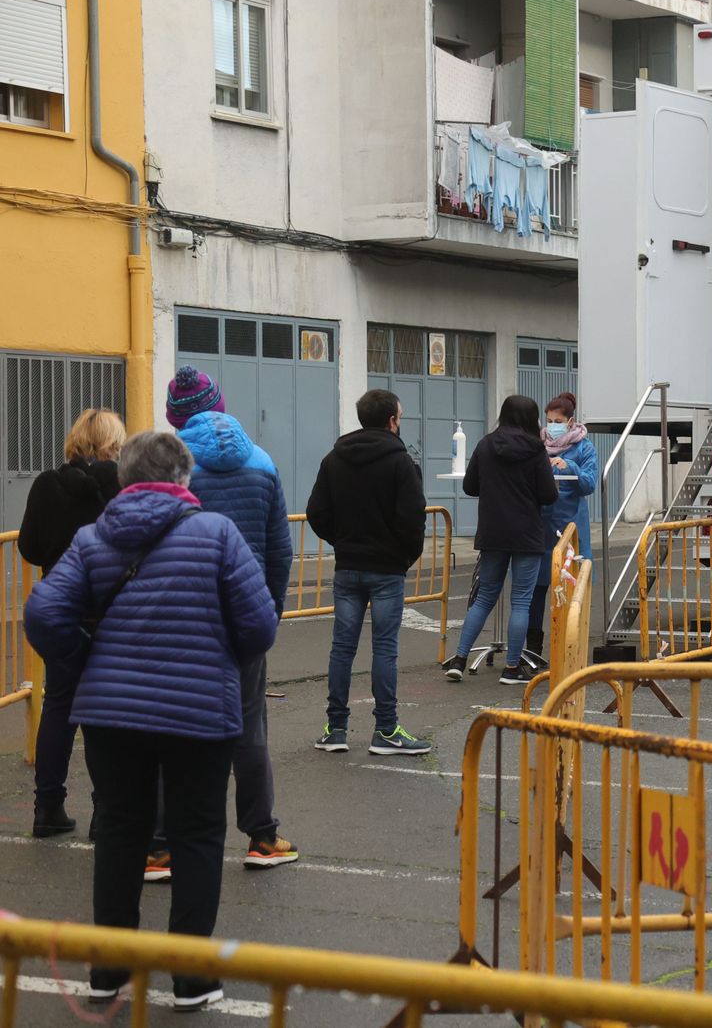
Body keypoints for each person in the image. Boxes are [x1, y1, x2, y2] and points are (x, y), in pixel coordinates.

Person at [22, 431, 277, 1011]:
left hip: (112, 717)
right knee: (197, 835)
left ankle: (108, 971)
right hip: (199, 715)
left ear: (125, 479)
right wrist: (220, 656)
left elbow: (43, 612)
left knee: (117, 831)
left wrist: (83, 656)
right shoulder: (216, 535)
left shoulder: (93, 539)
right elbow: (260, 627)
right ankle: (190, 978)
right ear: (184, 479)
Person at [169, 367, 297, 869]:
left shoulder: (172, 461)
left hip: (182, 614)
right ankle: (262, 837)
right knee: (249, 726)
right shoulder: (261, 461)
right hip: (246, 616)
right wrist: (270, 610)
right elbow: (281, 551)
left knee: (172, 725)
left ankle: (160, 845)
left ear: (174, 416)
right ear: (220, 405)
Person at [17, 408, 124, 838]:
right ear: (110, 444)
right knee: (105, 713)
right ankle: (105, 812)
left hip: (60, 610)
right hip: (107, 610)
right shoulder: (118, 485)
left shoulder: (47, 484)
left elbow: (28, 546)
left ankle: (48, 807)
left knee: (59, 707)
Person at [306, 388, 430, 755]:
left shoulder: (334, 459)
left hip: (348, 566)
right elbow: (412, 518)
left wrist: (340, 541)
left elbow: (317, 513)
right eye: (400, 417)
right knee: (385, 649)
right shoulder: (401, 462)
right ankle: (387, 730)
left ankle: (336, 728)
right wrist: (405, 555)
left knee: (342, 649)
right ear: (391, 420)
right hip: (387, 569)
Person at [441, 395, 558, 686]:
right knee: (521, 600)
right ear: (532, 420)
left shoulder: (485, 444)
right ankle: (511, 668)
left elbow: (470, 486)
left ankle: (458, 660)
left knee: (484, 597)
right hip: (527, 534)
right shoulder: (535, 450)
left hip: (492, 531)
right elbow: (549, 495)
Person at [524, 392, 596, 668]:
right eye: (549, 420)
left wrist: (570, 466)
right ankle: (533, 649)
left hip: (571, 530)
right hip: (540, 527)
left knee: (569, 589)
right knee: (536, 590)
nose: (552, 426)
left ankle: (568, 647)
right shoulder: (537, 446)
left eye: (558, 421)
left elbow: (589, 483)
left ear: (570, 422)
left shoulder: (584, 447)